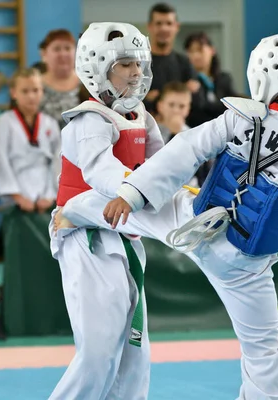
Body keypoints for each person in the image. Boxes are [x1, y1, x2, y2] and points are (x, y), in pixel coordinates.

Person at [57, 32, 278, 400]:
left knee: (138, 211)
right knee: (267, 350)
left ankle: (72, 213)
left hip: (196, 223)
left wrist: (132, 193)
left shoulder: (241, 117)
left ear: (262, 74)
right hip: (245, 264)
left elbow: (185, 150)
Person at [48, 22, 164, 400]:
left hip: (126, 235)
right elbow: (100, 171)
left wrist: (190, 189)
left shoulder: (141, 117)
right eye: (126, 63)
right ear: (97, 68)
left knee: (135, 353)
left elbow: (164, 166)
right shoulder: (88, 119)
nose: (136, 72)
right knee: (98, 353)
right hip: (87, 239)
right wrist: (139, 189)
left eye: (139, 64)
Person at [0, 68, 60, 214]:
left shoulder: (50, 123)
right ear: (13, 93)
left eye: (35, 90)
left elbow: (57, 160)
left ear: (42, 92)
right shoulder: (4, 122)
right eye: (25, 91)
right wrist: (16, 196)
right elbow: (0, 159)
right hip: (15, 194)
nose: (31, 96)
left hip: (46, 191)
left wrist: (50, 194)